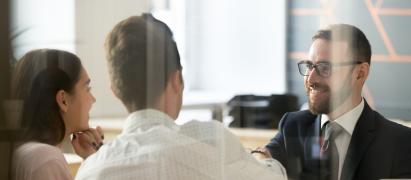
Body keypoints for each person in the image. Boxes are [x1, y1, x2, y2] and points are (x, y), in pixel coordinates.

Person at [75, 13, 286, 180]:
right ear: (176, 79)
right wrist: (263, 158)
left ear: (115, 90)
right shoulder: (211, 142)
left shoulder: (91, 170)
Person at [264, 24, 411, 180]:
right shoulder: (293, 126)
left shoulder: (400, 142)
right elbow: (263, 160)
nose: (310, 79)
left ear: (360, 73)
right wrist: (258, 157)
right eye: (309, 66)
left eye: (325, 67)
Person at [11, 49, 104, 180]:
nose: (93, 99)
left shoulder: (22, 153)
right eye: (87, 88)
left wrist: (89, 159)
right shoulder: (45, 159)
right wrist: (97, 161)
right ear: (63, 100)